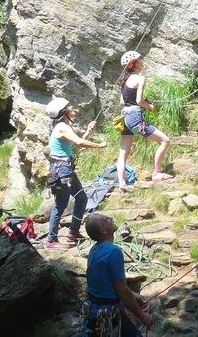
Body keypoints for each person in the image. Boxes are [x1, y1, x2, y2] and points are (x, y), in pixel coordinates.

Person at [45, 97, 107, 250]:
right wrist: (99, 145)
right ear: (63, 112)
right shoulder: (62, 127)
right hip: (62, 169)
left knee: (81, 198)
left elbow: (75, 143)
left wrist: (88, 131)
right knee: (61, 204)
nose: (72, 107)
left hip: (65, 168)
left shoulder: (63, 127)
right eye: (68, 106)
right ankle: (51, 240)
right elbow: (79, 143)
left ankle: (73, 232)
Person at [78, 213, 154, 337]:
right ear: (103, 230)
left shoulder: (94, 250)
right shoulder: (114, 251)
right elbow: (122, 290)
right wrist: (142, 316)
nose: (111, 218)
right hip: (108, 314)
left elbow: (103, 283)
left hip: (93, 310)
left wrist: (133, 295)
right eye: (107, 219)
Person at [116, 51, 174, 188]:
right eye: (141, 59)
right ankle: (157, 173)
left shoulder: (124, 81)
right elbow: (139, 100)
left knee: (124, 151)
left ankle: (121, 183)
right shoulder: (140, 79)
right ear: (135, 63)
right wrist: (150, 106)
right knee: (165, 140)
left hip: (125, 119)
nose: (143, 61)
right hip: (135, 118)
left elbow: (122, 102)